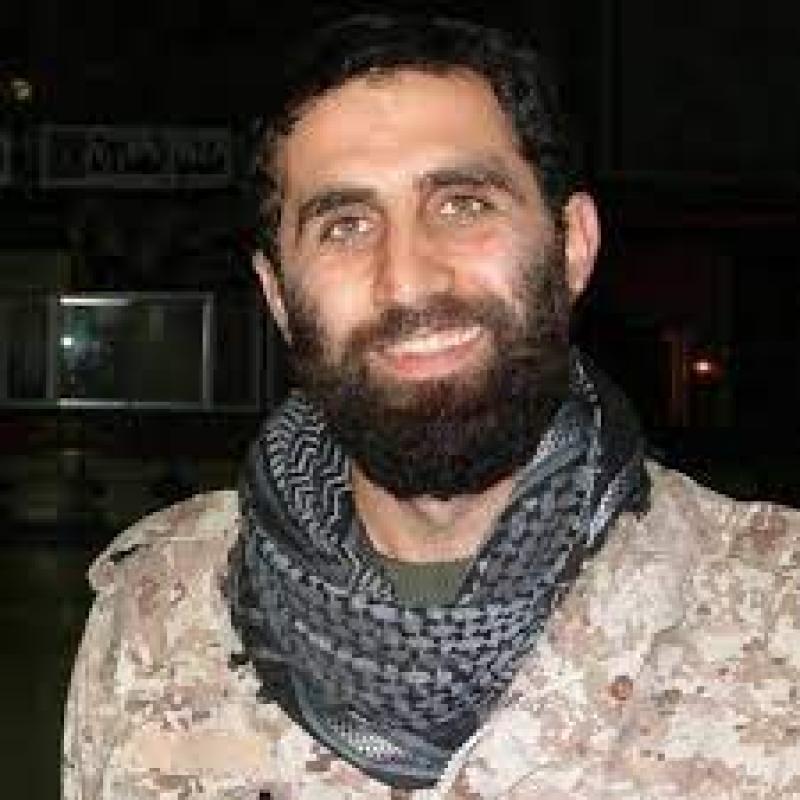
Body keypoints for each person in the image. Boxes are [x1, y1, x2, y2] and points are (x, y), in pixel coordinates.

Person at [63, 14, 800, 799]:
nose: (408, 279)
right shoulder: (152, 617)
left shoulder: (777, 614)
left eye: (462, 204)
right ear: (277, 294)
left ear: (573, 244)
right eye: (346, 225)